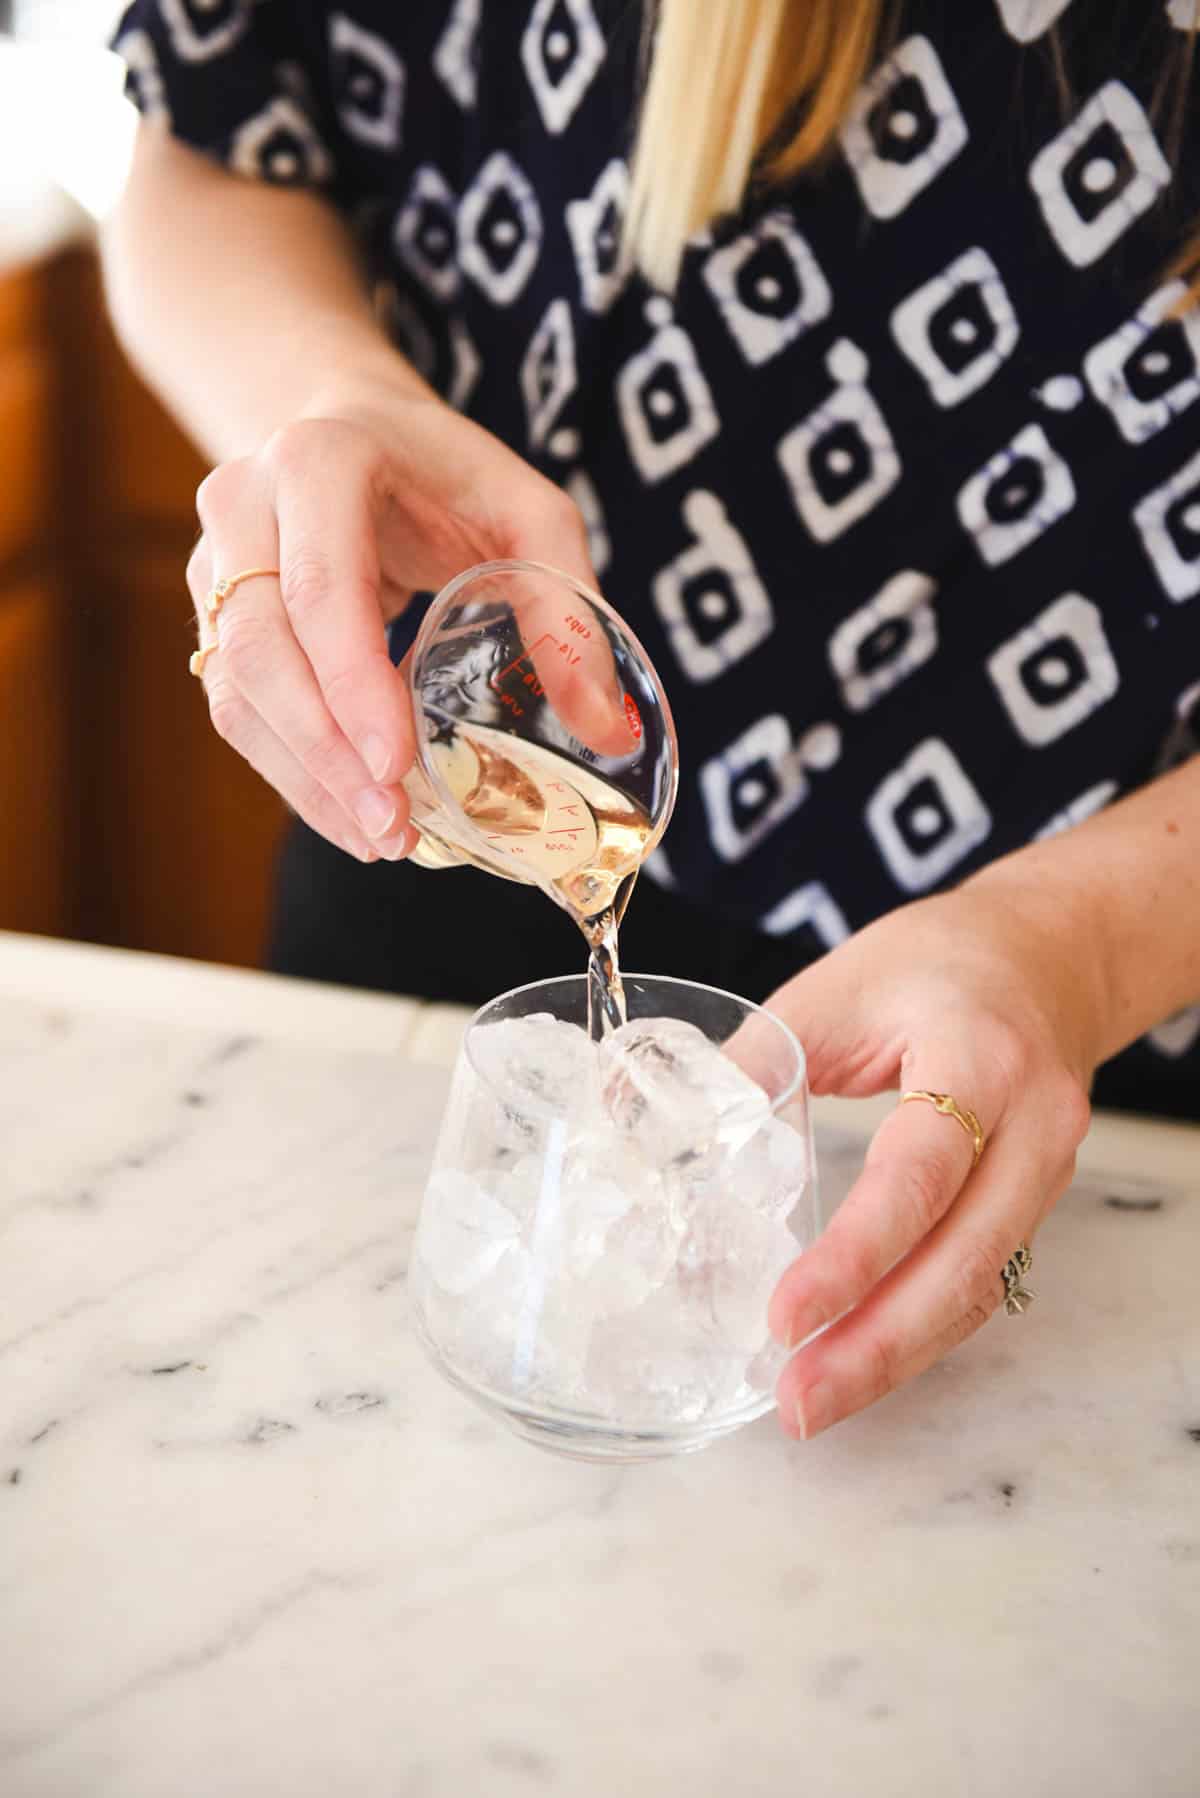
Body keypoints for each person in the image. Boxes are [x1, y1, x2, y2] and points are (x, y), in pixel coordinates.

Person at [103, 0, 1200, 1441]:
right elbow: (210, 137)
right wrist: (333, 401)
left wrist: (1086, 941)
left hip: (1054, 1018)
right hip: (464, 827)